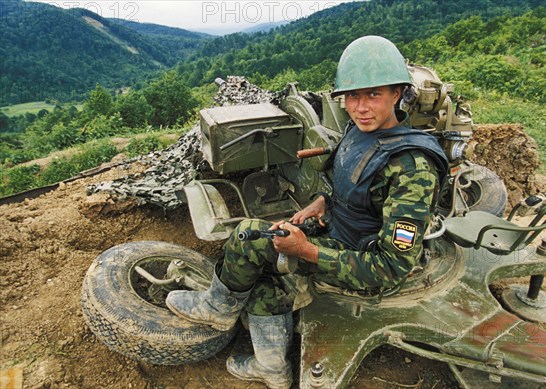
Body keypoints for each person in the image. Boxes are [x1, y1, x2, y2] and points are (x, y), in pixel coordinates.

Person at [165, 35, 449, 389]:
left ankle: (218, 308)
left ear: (397, 93)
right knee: (266, 278)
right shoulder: (360, 130)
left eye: (373, 94)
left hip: (362, 265)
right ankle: (272, 369)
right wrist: (323, 203)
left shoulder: (412, 168)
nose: (360, 107)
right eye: (352, 96)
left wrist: (306, 251)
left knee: (247, 237)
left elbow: (390, 268)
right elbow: (355, 188)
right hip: (340, 233)